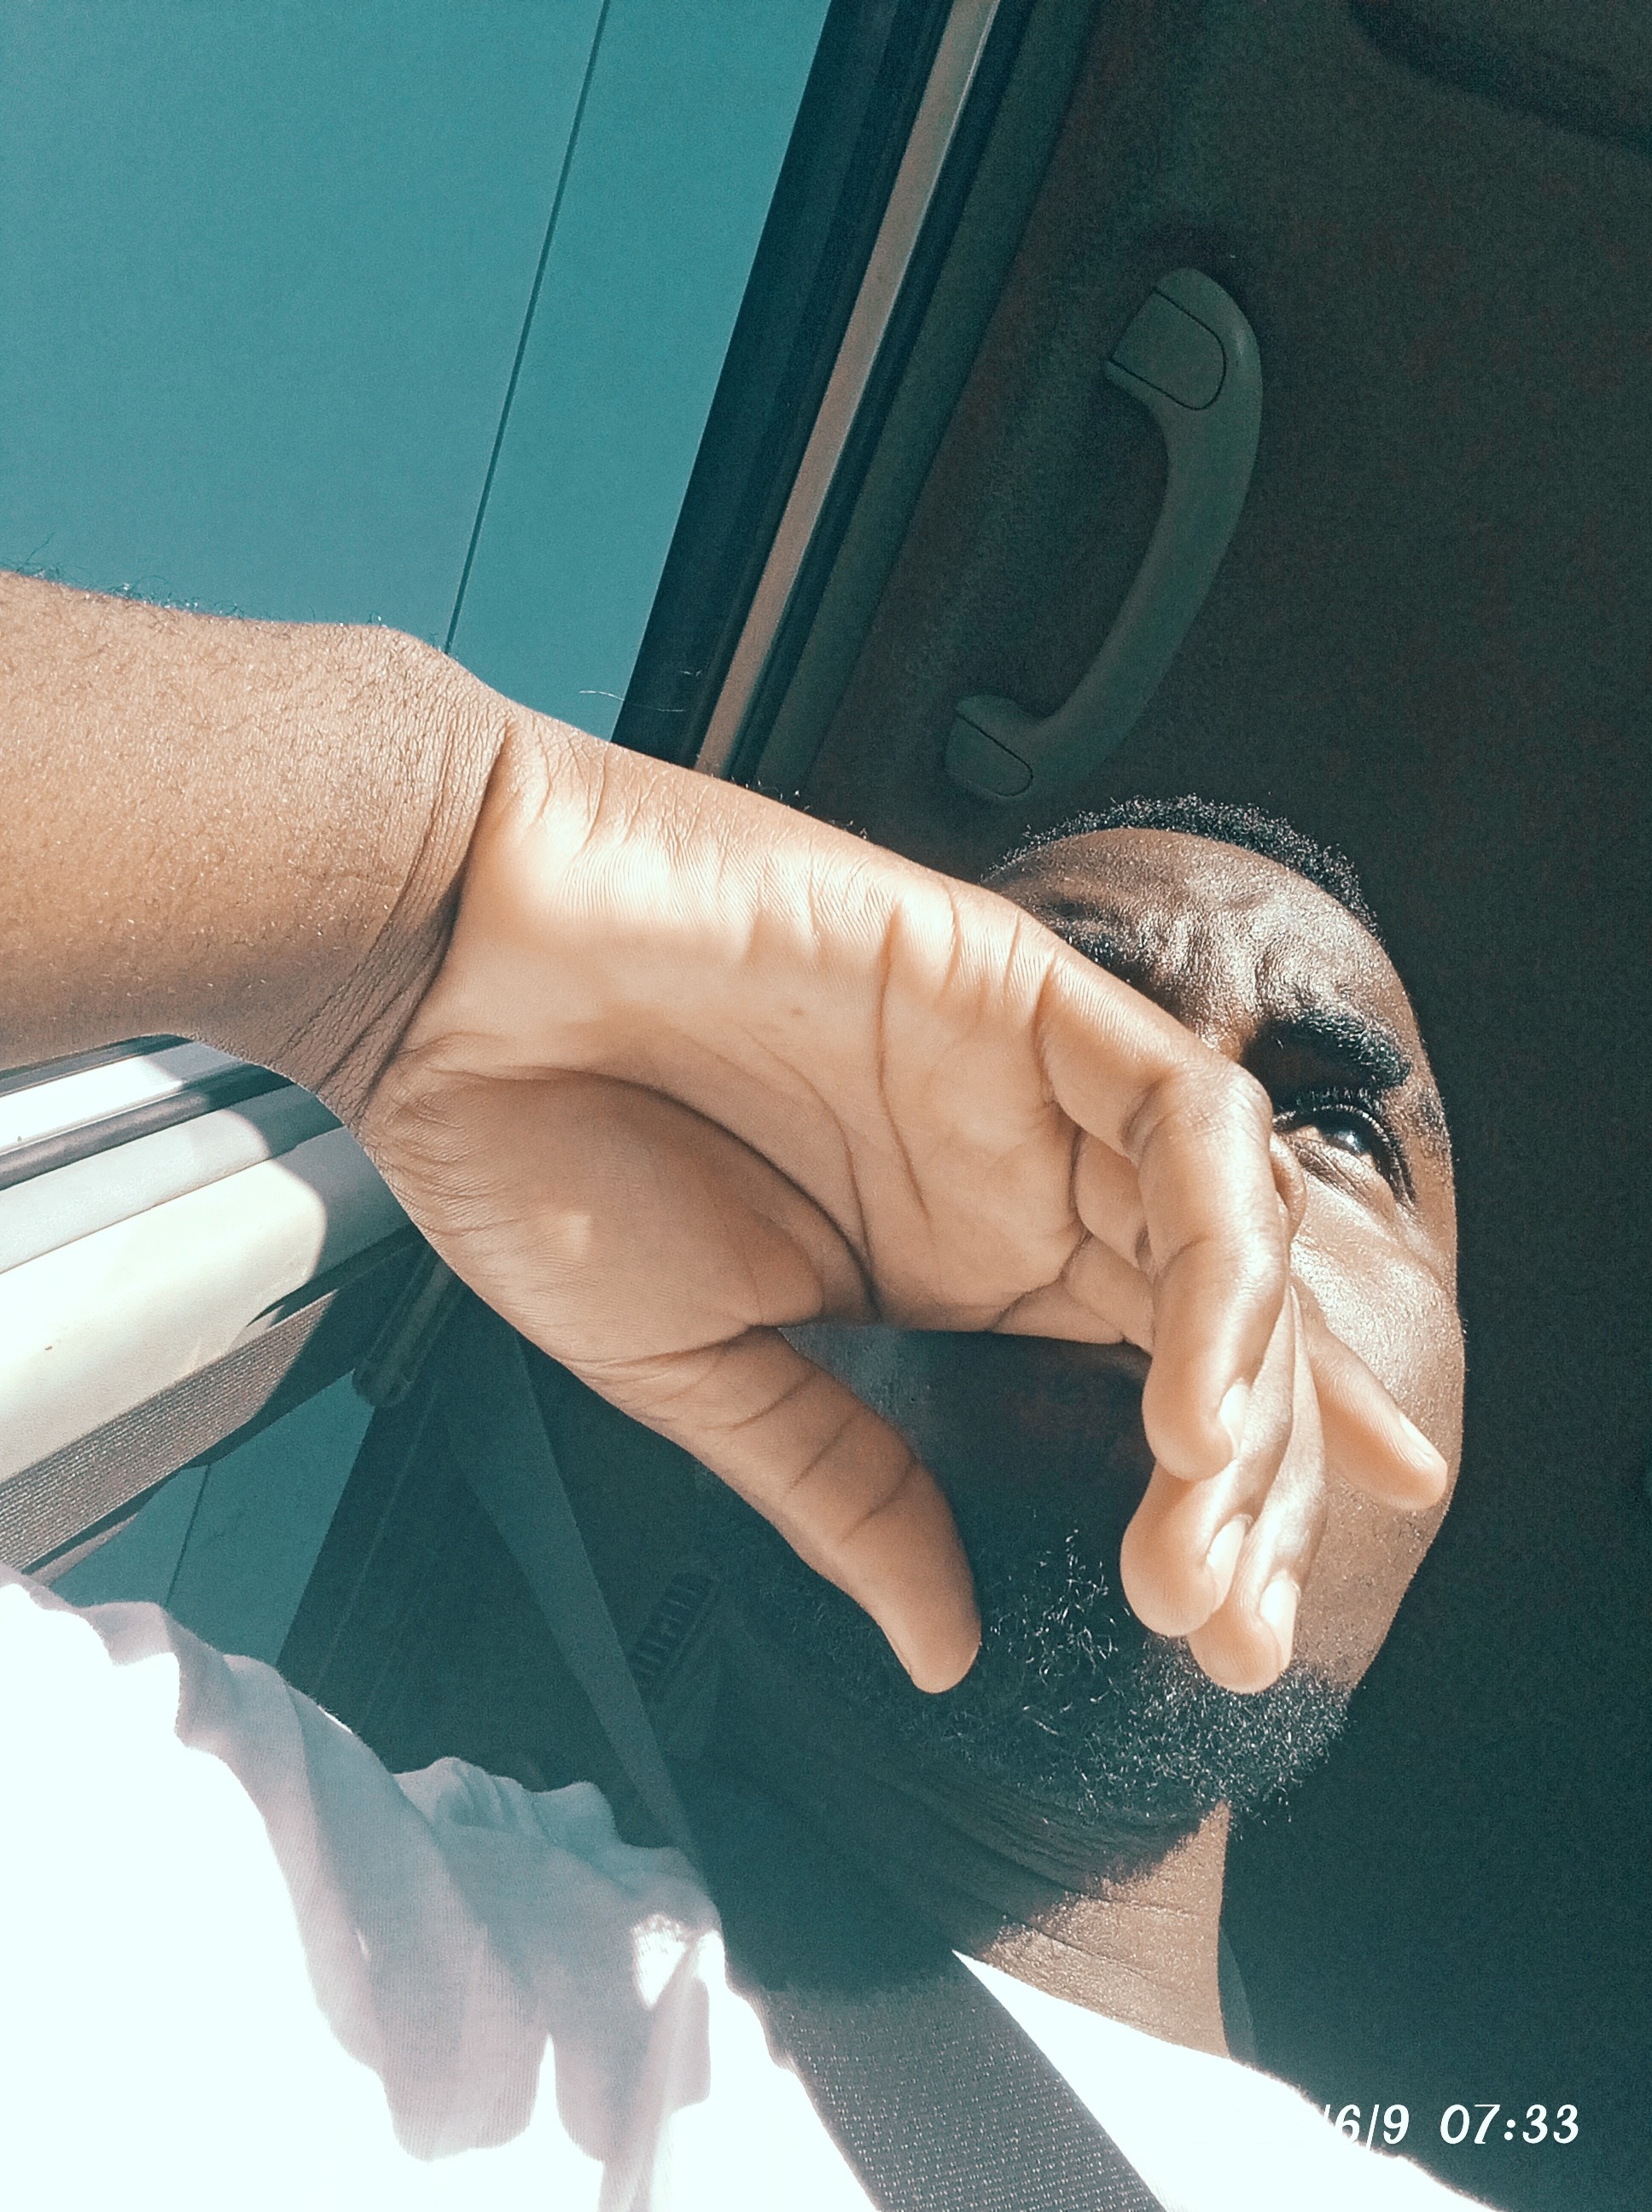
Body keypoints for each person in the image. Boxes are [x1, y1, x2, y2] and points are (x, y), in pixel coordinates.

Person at [0, 575, 1481, 2207]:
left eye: (1339, 1130)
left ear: (1451, 1420)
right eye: (1078, 1040)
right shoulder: (246, 1957)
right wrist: (432, 879)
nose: (1186, 1155)